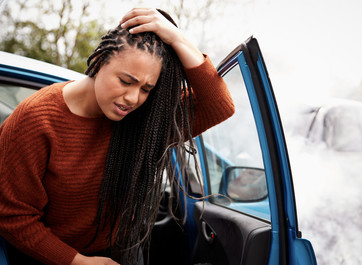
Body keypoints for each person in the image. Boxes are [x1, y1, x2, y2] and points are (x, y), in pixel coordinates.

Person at [0, 7, 234, 265]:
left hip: (121, 250)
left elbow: (219, 105)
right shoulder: (36, 119)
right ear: (100, 62)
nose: (133, 98)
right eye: (126, 81)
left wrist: (177, 38)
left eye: (146, 88)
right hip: (49, 257)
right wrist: (79, 262)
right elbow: (12, 216)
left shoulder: (143, 120)